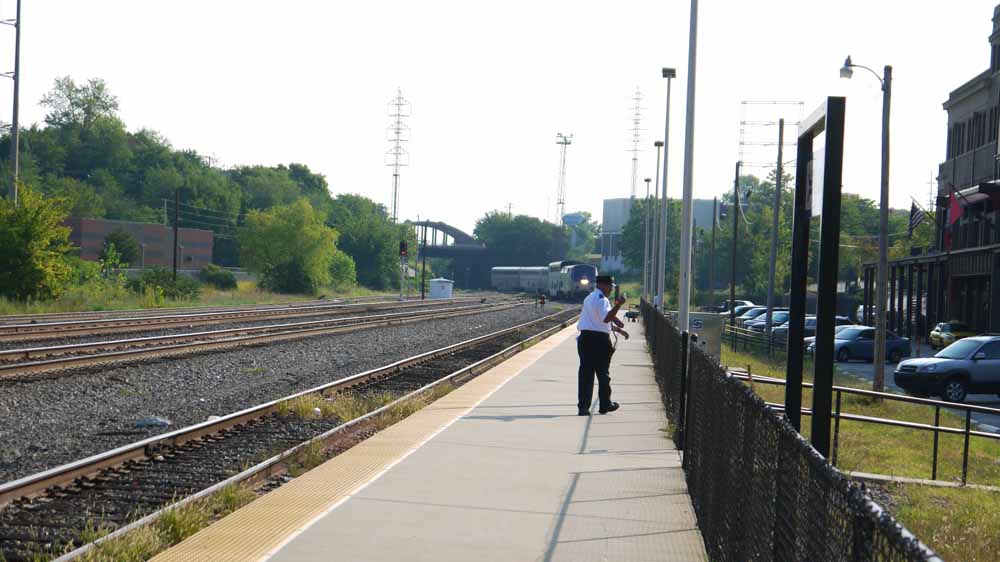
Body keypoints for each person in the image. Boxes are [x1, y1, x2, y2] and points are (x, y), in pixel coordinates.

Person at [576, 275, 627, 416]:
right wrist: (619, 304)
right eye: (610, 286)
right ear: (603, 285)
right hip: (600, 341)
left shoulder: (589, 298)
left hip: (585, 339)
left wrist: (617, 326)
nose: (611, 289)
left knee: (585, 374)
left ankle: (583, 407)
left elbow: (596, 319)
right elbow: (606, 318)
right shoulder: (602, 300)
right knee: (603, 374)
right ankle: (605, 404)